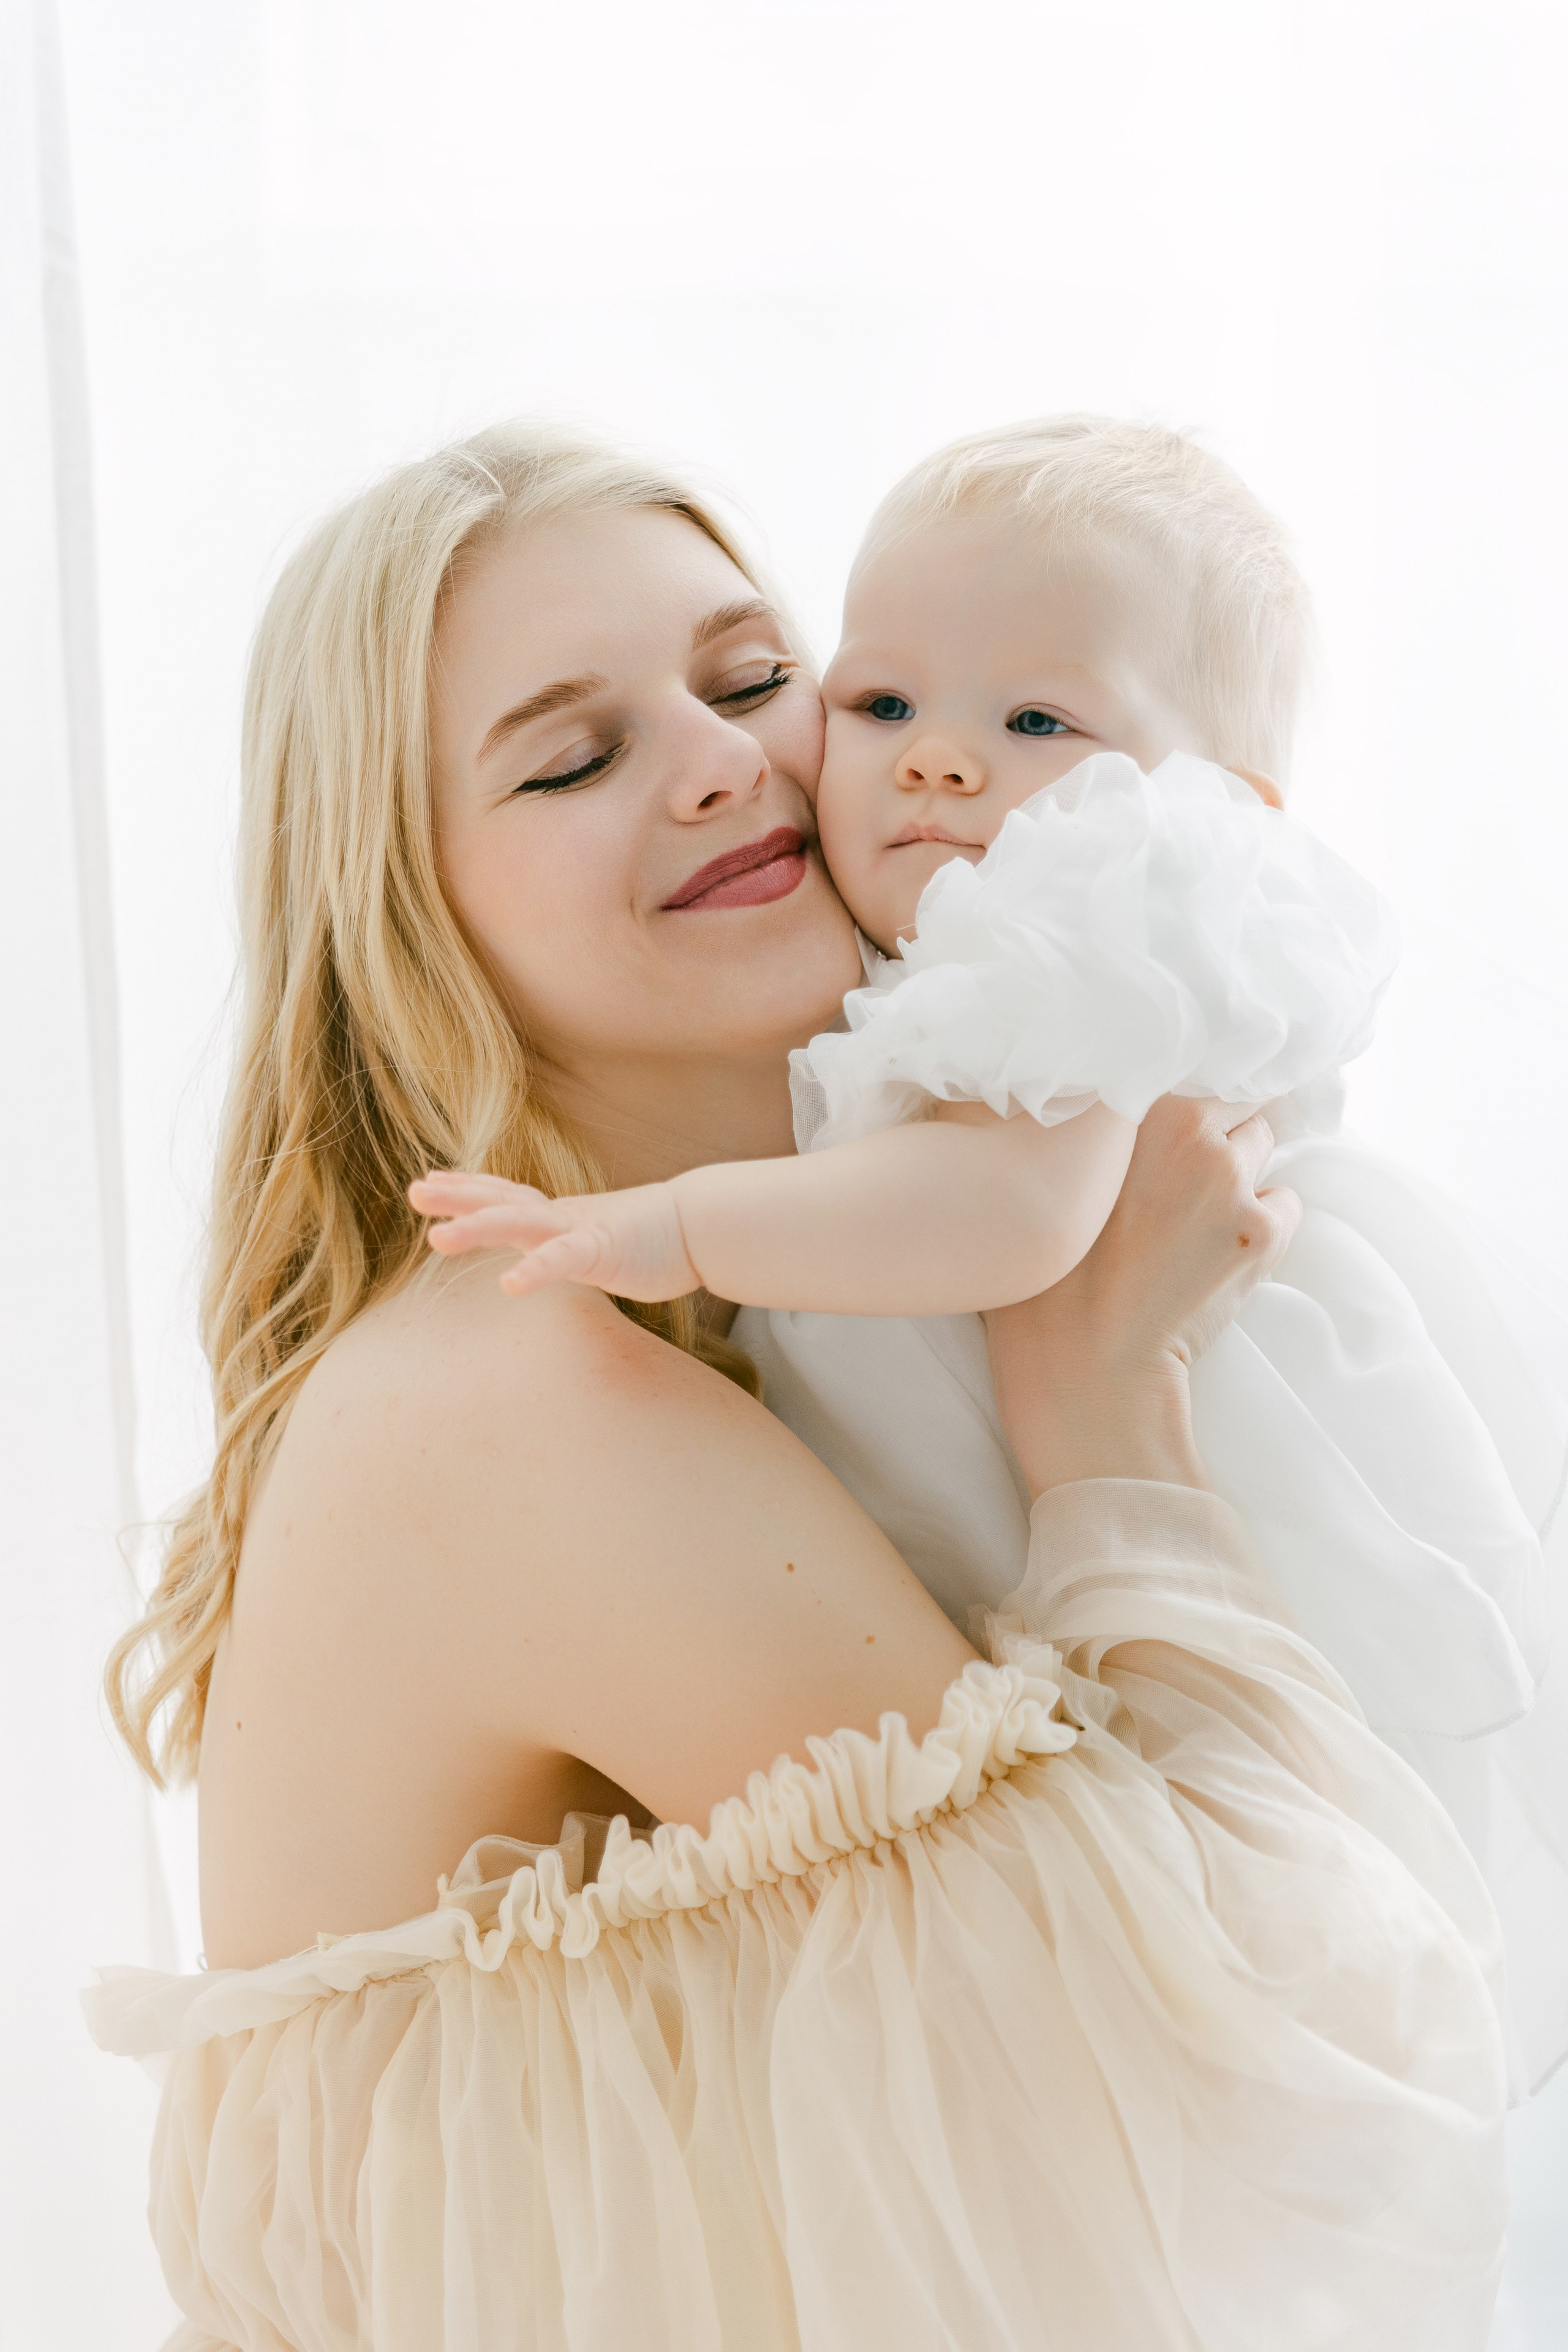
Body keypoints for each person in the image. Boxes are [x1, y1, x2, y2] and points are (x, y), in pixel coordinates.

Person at [87, 424, 1507, 2351]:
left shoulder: (791, 1334)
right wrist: (1103, 1407)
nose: (719, 763)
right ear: (405, 906)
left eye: (761, 680)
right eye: (571, 756)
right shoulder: (517, 1386)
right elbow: (1250, 2098)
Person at [420, 417, 1567, 2097]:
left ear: (1209, 810)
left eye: (1036, 721)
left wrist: (656, 1230)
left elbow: (1011, 1219)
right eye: (881, 704)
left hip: (1244, 1468)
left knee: (1358, 1903)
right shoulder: (510, 1400)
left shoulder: (1092, 921)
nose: (938, 762)